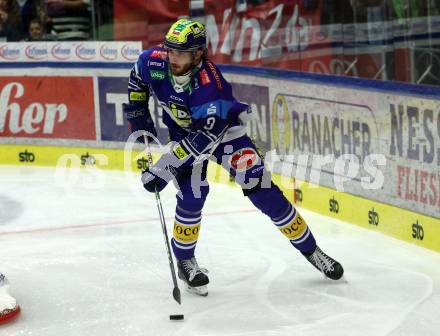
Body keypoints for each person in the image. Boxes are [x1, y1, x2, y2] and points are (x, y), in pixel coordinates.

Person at [123, 19, 344, 296]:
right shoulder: (153, 62)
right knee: (193, 195)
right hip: (183, 134)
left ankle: (312, 251)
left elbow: (205, 138)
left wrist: (165, 166)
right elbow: (136, 80)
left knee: (262, 188)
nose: (173, 58)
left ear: (198, 54)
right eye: (170, 50)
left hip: (224, 135)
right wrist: (140, 120)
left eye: (181, 53)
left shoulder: (209, 86)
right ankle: (185, 260)